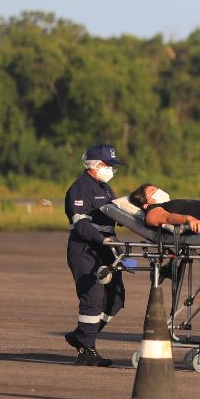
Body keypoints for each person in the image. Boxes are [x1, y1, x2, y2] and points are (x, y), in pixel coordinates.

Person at [63, 144, 126, 366]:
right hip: (85, 248)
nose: (112, 170)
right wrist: (102, 240)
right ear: (96, 165)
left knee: (116, 299)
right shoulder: (80, 188)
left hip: (107, 248)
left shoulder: (105, 189)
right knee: (93, 297)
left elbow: (117, 216)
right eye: (109, 165)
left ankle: (81, 336)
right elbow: (80, 224)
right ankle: (86, 350)